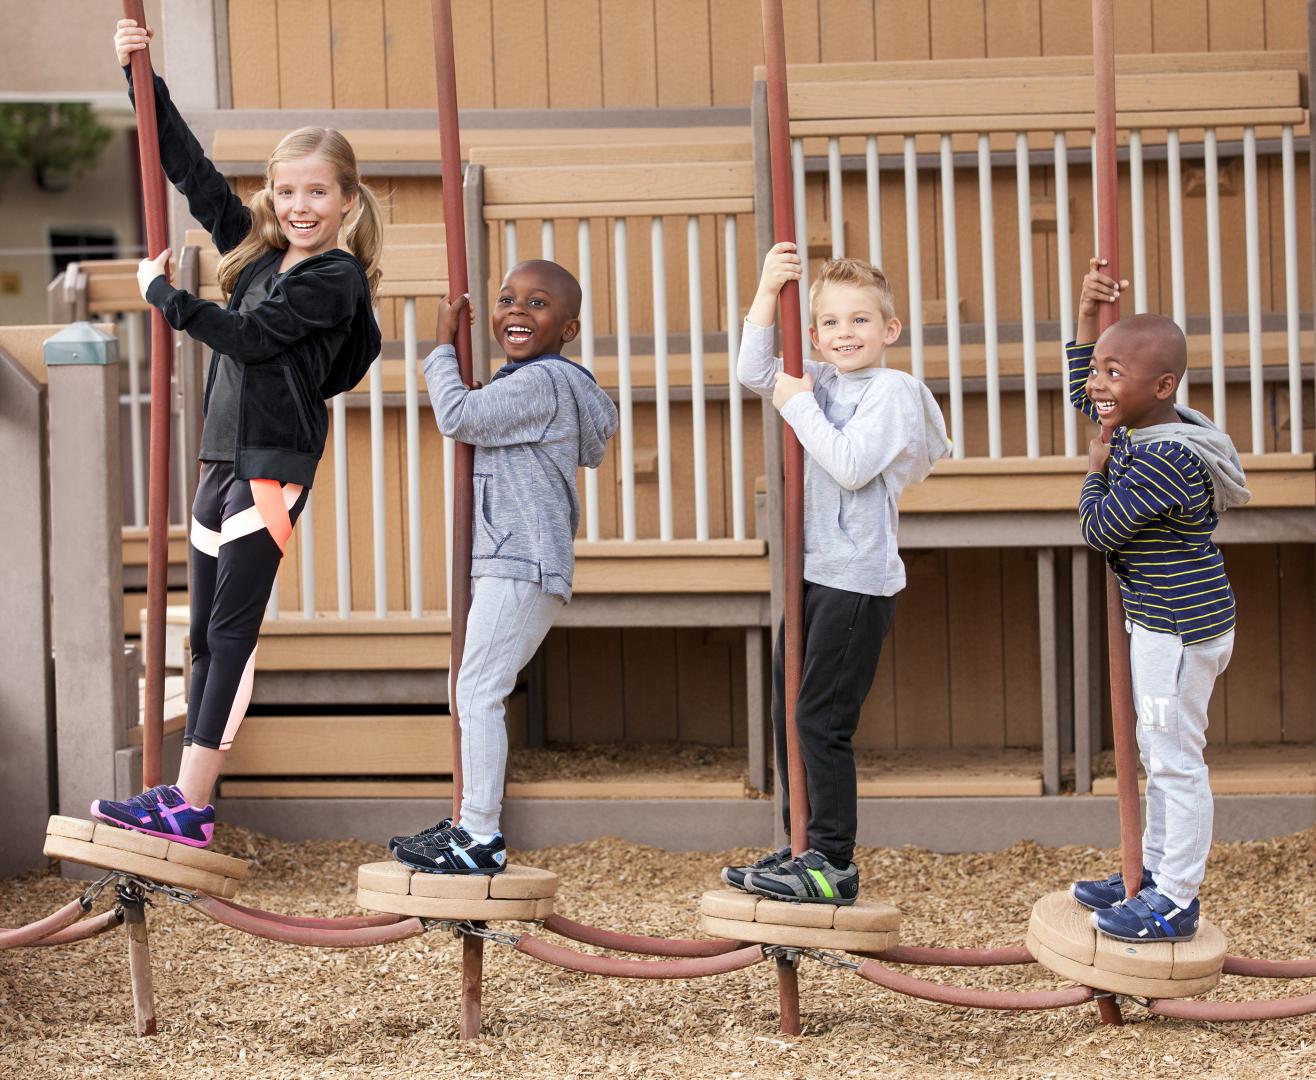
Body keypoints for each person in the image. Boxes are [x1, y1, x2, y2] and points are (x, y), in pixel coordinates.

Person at [90, 20, 383, 847]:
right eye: (286, 192)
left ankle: (191, 803)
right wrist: (139, 75)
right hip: (221, 458)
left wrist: (167, 298)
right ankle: (183, 797)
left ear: (346, 202)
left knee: (230, 633)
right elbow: (189, 174)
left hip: (271, 467)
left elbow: (251, 341)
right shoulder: (257, 257)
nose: (299, 207)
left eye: (318, 193)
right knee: (200, 635)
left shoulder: (334, 278)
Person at [724, 244, 950, 904]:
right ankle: (801, 845)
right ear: (814, 335)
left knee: (820, 719)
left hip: (855, 580)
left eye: (859, 320)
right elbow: (752, 369)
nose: (844, 334)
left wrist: (796, 405)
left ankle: (831, 860)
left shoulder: (893, 391)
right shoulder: (816, 381)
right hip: (813, 573)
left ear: (889, 330)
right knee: (787, 712)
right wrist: (768, 290)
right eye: (829, 323)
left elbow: (851, 464)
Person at [389, 260, 618, 874]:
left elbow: (459, 417)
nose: (517, 310)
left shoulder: (541, 382)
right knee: (476, 690)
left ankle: (480, 834)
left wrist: (441, 346)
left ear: (568, 329)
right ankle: (472, 825)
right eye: (507, 299)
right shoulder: (534, 382)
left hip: (521, 559)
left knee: (478, 692)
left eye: (538, 303)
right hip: (518, 556)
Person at [1068, 259, 1250, 942]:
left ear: (1161, 386)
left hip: (1176, 632)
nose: (1097, 386)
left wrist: (1091, 474)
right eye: (1099, 368)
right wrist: (1089, 318)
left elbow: (1101, 526)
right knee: (1158, 747)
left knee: (1173, 756)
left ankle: (1174, 897)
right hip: (1169, 622)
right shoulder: (1146, 424)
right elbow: (1091, 396)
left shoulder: (1164, 459)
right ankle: (1147, 870)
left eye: (1114, 374)